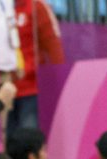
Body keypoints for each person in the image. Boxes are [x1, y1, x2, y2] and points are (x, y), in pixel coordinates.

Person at [8, 0, 65, 137]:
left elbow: (53, 47)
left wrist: (56, 84)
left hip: (31, 89)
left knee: (29, 142)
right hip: (2, 89)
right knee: (6, 144)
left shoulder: (36, 6)